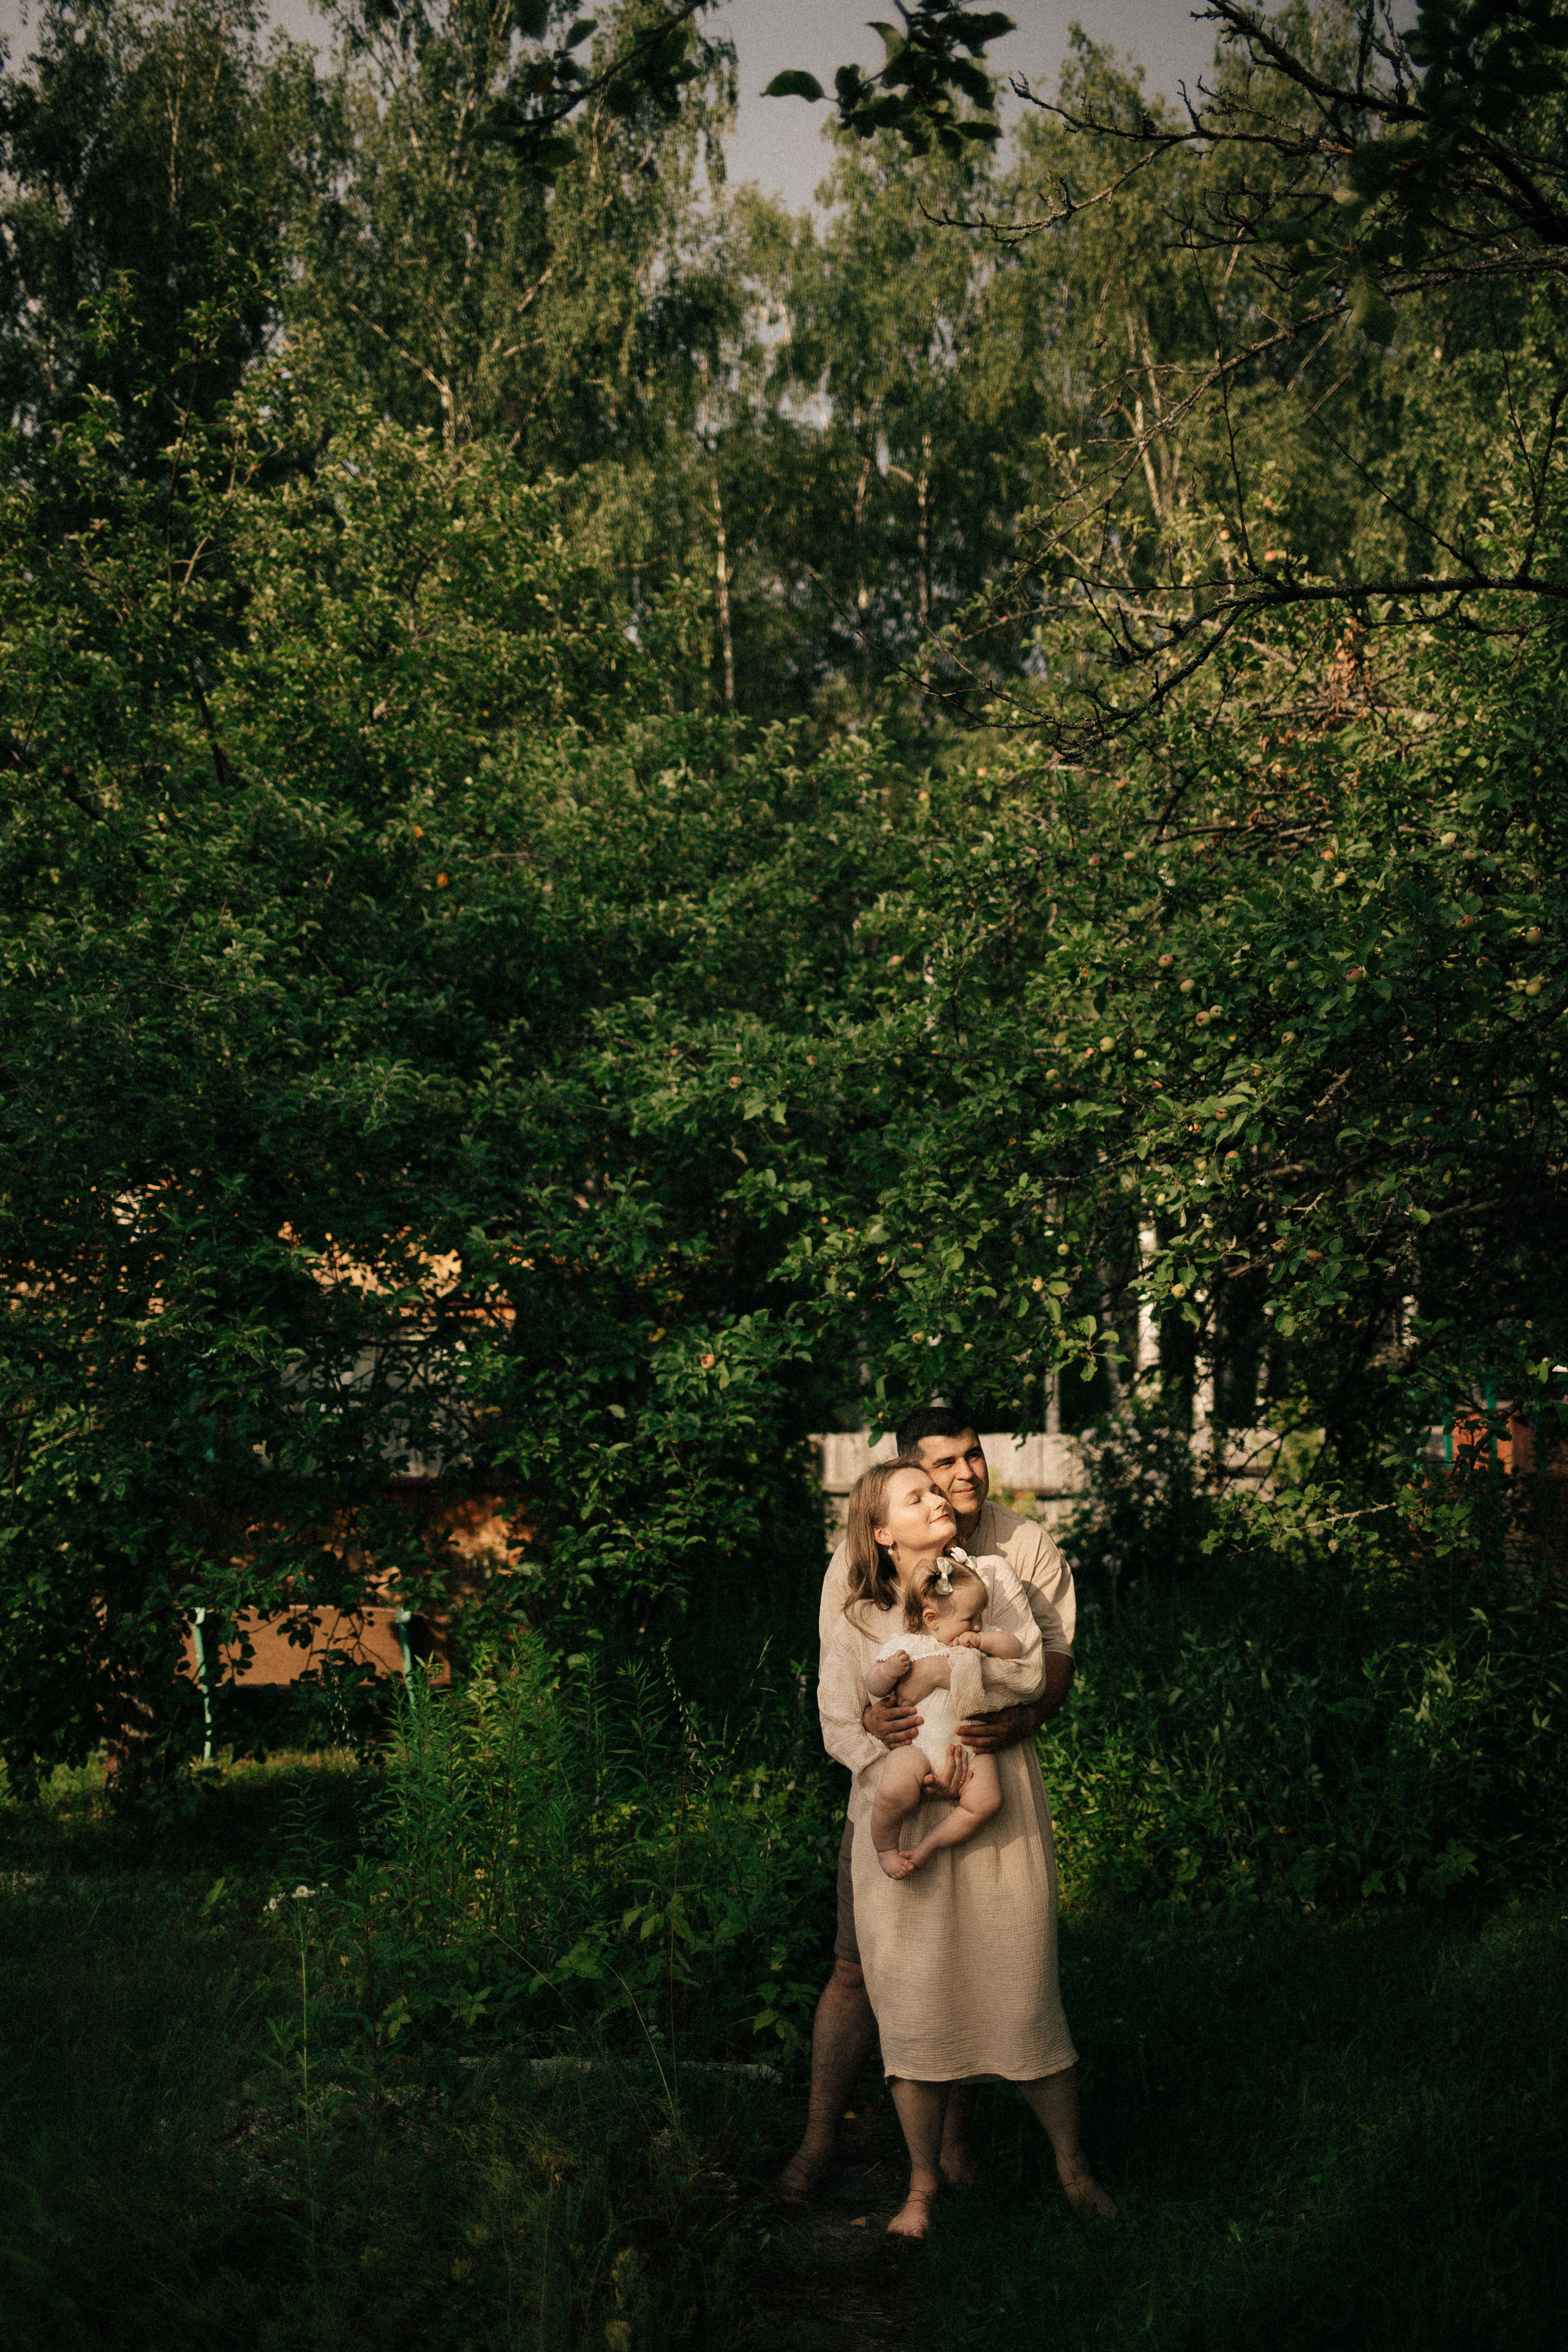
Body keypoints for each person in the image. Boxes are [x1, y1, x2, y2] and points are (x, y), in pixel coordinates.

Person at [778, 1404, 1078, 2204]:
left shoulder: (1021, 1549)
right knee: (853, 1969)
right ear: (905, 1478)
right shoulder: (855, 1571)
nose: (963, 1478)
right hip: (890, 1792)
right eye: (940, 1467)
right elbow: (840, 1697)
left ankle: (950, 2148)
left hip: (984, 1779)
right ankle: (818, 2139)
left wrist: (1017, 1715)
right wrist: (879, 1737)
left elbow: (1052, 1667)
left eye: (973, 1457)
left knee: (974, 1965)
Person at [865, 1556, 1022, 1879]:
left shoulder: (980, 1637)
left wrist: (982, 1641)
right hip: (917, 1749)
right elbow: (873, 1686)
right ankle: (885, 1849)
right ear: (932, 1618)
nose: (979, 1624)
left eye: (981, 1615)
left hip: (970, 1749)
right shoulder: (907, 1645)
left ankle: (931, 1843)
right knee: (893, 1793)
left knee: (988, 1801)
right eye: (970, 1618)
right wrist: (889, 1671)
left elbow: (1015, 1648)